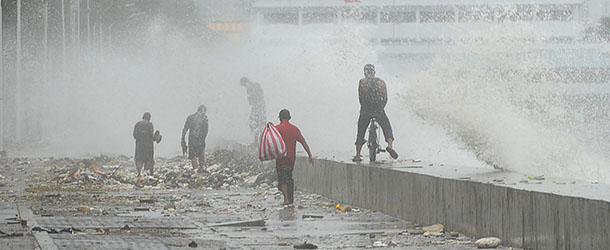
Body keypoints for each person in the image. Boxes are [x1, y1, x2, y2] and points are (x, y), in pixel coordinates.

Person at [353, 64, 398, 162]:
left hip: (366, 110)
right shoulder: (381, 82)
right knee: (387, 127)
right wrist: (381, 109)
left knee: (361, 131)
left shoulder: (362, 82)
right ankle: (390, 146)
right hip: (378, 110)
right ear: (374, 73)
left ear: (365, 72)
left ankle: (357, 154)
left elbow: (360, 98)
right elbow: (385, 98)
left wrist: (364, 108)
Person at [274, 109, 313, 206]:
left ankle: (286, 199)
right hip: (291, 158)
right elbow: (303, 142)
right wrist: (309, 154)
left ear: (280, 118)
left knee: (282, 178)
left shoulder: (277, 129)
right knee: (289, 177)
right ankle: (290, 199)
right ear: (289, 117)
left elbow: (270, 143)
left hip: (281, 158)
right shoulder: (295, 129)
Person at [133, 112, 161, 179]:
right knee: (149, 159)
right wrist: (157, 137)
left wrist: (140, 139)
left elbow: (134, 135)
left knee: (139, 159)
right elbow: (151, 135)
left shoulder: (137, 124)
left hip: (139, 145)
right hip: (148, 145)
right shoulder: (149, 124)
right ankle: (151, 174)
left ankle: (139, 174)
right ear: (149, 118)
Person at [182, 105, 209, 173]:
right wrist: (202, 139)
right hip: (199, 139)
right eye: (204, 111)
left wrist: (183, 138)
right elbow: (206, 130)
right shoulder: (204, 118)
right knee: (200, 155)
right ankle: (199, 169)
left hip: (193, 139)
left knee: (194, 155)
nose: (204, 113)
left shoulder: (191, 117)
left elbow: (185, 129)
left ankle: (196, 170)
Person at [240, 77, 267, 145]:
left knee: (256, 122)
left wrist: (251, 97)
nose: (245, 87)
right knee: (256, 122)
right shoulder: (252, 86)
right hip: (258, 106)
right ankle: (257, 140)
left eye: (244, 85)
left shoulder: (253, 86)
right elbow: (251, 101)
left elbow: (257, 95)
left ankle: (258, 140)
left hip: (259, 106)